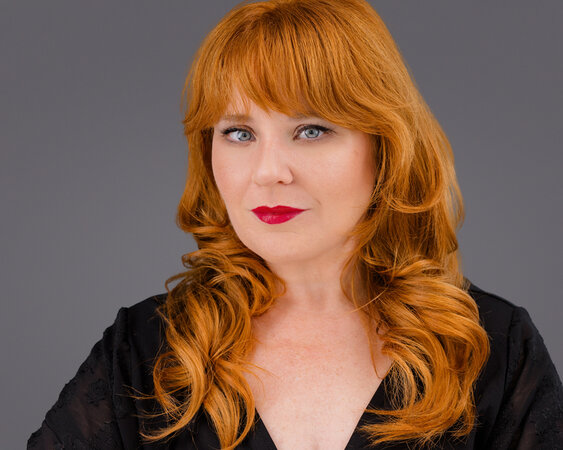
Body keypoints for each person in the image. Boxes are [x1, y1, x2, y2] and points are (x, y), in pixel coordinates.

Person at [28, 0, 563, 449]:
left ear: (385, 148)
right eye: (239, 133)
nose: (268, 172)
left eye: (311, 130)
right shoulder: (143, 350)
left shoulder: (492, 347)